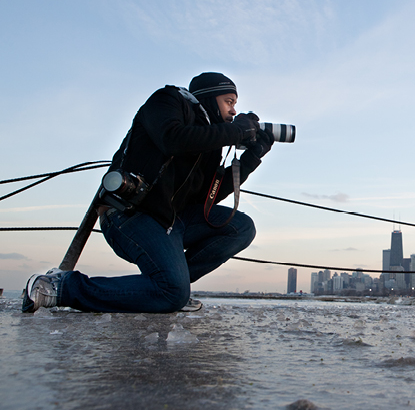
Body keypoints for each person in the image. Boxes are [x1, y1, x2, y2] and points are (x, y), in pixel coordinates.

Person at [23, 72, 273, 313]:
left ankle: (171, 289)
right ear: (208, 97)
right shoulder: (169, 100)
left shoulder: (210, 142)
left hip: (172, 219)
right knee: (171, 292)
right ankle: (59, 286)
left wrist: (252, 157)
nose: (233, 111)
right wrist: (237, 131)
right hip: (132, 213)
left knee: (241, 227)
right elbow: (172, 138)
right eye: (228, 102)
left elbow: (206, 199)